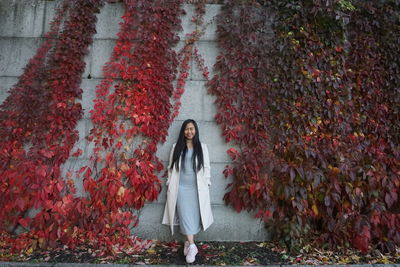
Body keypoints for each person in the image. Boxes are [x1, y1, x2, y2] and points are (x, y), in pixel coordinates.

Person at [162, 119, 214, 263]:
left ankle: (187, 243)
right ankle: (192, 246)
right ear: (183, 131)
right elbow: (171, 168)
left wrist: (207, 183)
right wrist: (169, 183)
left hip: (197, 189)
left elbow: (207, 168)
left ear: (195, 130)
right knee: (184, 216)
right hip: (181, 189)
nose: (189, 131)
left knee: (192, 218)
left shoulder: (202, 147)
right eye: (186, 129)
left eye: (191, 129)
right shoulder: (176, 147)